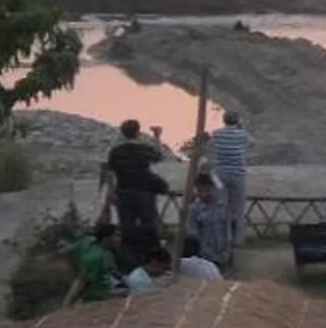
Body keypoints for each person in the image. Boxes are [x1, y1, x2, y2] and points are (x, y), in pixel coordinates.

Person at [102, 120, 173, 253]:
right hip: (144, 192)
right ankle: (149, 254)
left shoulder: (116, 152)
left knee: (127, 227)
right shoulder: (144, 150)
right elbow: (158, 157)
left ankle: (129, 255)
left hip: (124, 192)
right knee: (148, 226)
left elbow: (110, 173)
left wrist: (111, 193)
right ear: (138, 132)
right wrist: (157, 136)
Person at [203, 110, 251, 262]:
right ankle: (237, 239)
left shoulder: (217, 133)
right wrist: (241, 129)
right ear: (236, 121)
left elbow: (210, 147)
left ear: (224, 121)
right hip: (238, 174)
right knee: (238, 207)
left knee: (221, 206)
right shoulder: (242, 134)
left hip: (220, 174)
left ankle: (222, 238)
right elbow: (252, 143)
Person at [186, 173, 235, 268]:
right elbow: (194, 234)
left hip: (222, 253)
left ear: (214, 189)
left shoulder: (223, 208)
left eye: (208, 190)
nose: (205, 194)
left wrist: (227, 252)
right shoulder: (194, 210)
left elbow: (228, 231)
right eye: (201, 191)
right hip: (204, 255)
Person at [71, 223, 123, 298]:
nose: (120, 239)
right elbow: (81, 281)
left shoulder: (107, 252)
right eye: (117, 236)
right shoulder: (96, 257)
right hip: (99, 297)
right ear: (106, 238)